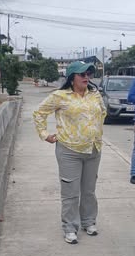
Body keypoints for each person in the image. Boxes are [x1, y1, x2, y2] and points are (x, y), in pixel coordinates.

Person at [33, 61, 106, 244]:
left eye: (88, 74)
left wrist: (94, 132)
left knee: (89, 191)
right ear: (72, 78)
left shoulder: (95, 94)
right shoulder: (60, 96)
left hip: (93, 149)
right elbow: (39, 113)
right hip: (69, 151)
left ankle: (88, 221)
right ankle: (70, 227)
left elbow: (102, 113)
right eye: (82, 74)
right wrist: (44, 135)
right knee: (71, 192)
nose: (86, 77)